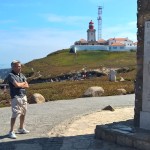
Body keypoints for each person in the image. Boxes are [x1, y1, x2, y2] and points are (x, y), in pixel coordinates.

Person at [7, 60, 30, 139]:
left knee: (23, 113)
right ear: (13, 67)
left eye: (20, 66)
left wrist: (20, 85)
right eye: (17, 66)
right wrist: (21, 84)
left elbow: (27, 85)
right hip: (16, 97)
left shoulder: (22, 75)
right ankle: (11, 131)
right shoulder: (11, 75)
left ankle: (21, 128)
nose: (19, 68)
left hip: (23, 96)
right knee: (15, 114)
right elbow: (16, 85)